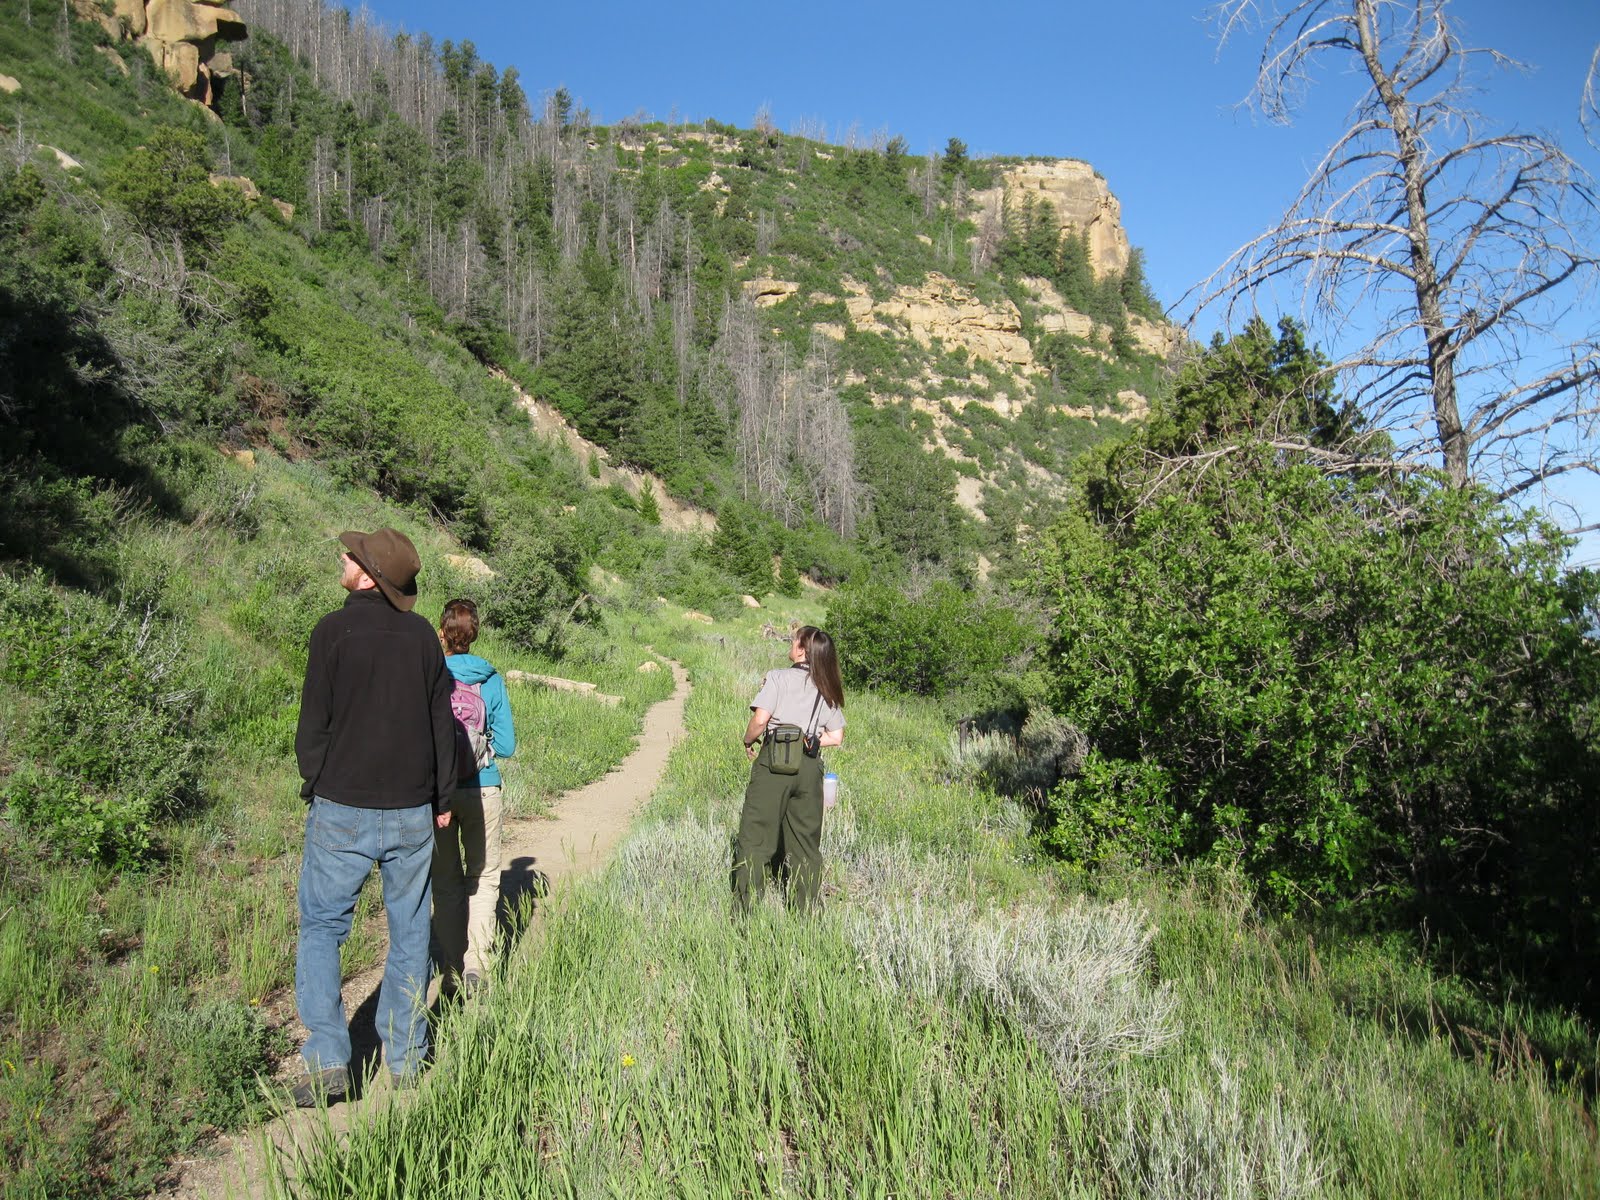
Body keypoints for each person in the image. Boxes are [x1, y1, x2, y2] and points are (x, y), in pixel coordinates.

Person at [290, 528, 457, 1106]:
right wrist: (440, 800)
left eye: (351, 555)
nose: (342, 556)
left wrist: (316, 779)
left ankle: (328, 1060)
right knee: (410, 932)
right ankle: (407, 1057)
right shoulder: (423, 640)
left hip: (342, 808)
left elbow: (315, 722)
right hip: (412, 811)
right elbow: (442, 728)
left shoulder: (332, 631)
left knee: (322, 927)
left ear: (367, 574)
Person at [431, 598, 516, 999]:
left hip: (438, 793)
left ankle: (449, 967)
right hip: (484, 785)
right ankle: (477, 966)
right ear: (475, 633)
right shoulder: (490, 678)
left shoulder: (430, 673)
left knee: (445, 883)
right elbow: (510, 745)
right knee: (482, 878)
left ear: (443, 633)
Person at [733, 625, 845, 913]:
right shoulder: (826, 685)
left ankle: (746, 913)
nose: (791, 641)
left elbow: (760, 720)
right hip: (809, 767)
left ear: (801, 649)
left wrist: (748, 740)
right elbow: (837, 736)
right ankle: (805, 913)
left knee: (756, 837)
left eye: (794, 639)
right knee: (805, 844)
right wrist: (810, 738)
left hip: (774, 762)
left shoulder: (777, 677)